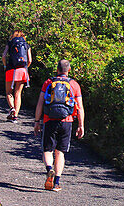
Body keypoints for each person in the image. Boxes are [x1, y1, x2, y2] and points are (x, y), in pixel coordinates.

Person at [33, 59, 84, 192]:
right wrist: (81, 125)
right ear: (69, 70)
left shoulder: (49, 82)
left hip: (50, 119)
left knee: (47, 150)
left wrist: (37, 121)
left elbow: (40, 103)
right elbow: (80, 108)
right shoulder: (74, 85)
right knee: (60, 152)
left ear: (57, 69)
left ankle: (49, 169)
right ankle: (56, 183)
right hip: (67, 121)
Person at [1, 30, 32, 121]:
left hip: (11, 69)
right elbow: (30, 60)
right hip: (22, 70)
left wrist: (5, 65)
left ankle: (12, 108)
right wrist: (25, 67)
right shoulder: (26, 45)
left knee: (8, 92)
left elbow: (3, 56)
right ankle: (15, 116)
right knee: (18, 93)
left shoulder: (10, 43)